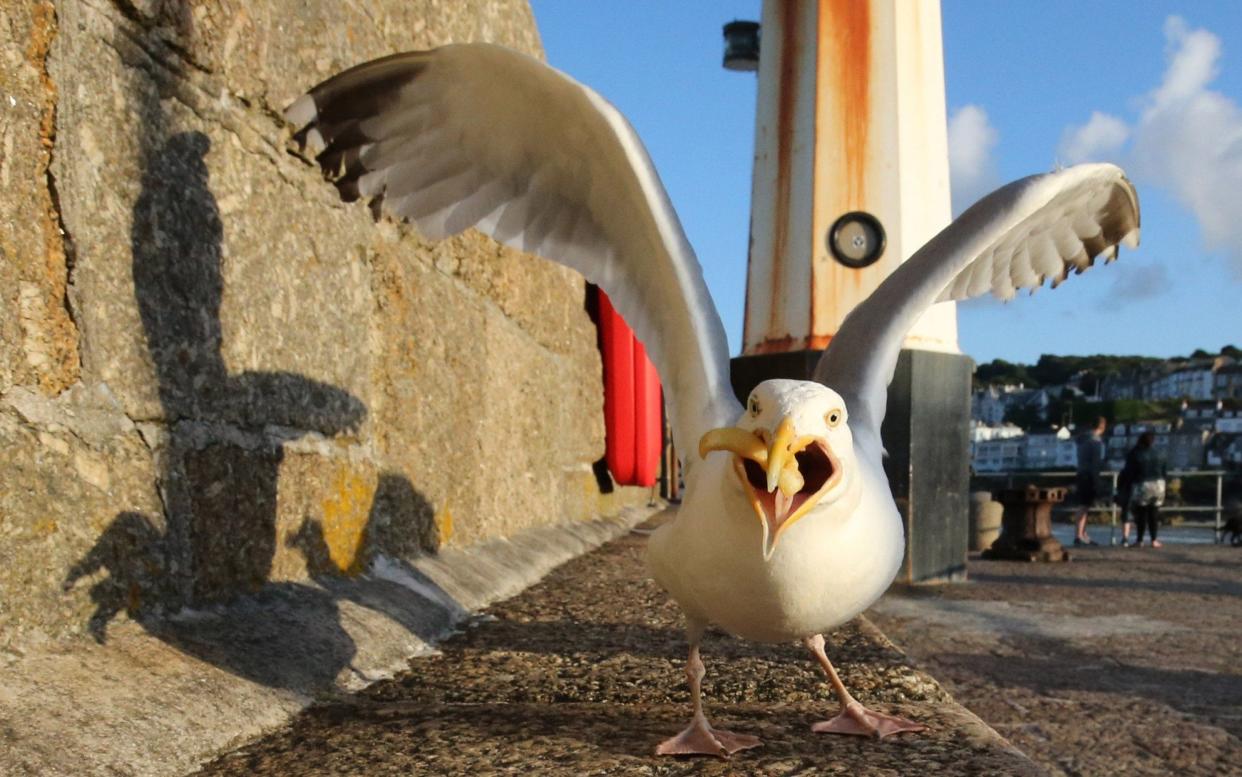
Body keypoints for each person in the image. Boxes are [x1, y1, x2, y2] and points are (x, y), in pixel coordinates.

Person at [1120, 431, 1167, 548]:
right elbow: (1164, 470)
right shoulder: (1160, 453)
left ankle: (1140, 540)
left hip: (1142, 484)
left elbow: (1129, 472)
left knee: (1141, 513)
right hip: (1159, 484)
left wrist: (1125, 486)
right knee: (1154, 513)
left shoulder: (1135, 453)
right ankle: (1154, 540)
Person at [1072, 417, 1107, 546]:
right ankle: (1079, 535)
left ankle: (1081, 534)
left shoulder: (1082, 440)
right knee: (1084, 506)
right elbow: (1095, 464)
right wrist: (1097, 481)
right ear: (1102, 427)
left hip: (1081, 473)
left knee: (1083, 505)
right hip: (1089, 476)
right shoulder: (1095, 442)